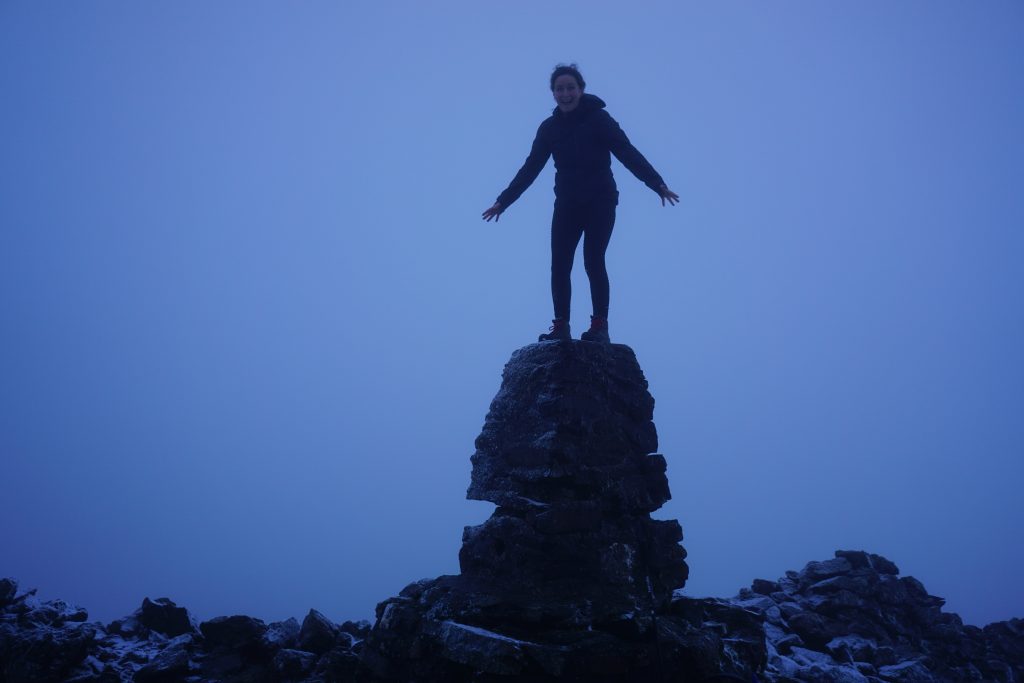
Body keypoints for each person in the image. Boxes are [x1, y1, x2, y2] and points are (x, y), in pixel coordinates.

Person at [482, 64, 679, 343]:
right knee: (559, 264)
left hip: (601, 201)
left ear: (581, 89)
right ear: (553, 93)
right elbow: (531, 168)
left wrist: (656, 183)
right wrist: (504, 201)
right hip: (567, 205)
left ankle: (600, 327)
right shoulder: (549, 129)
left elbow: (626, 151)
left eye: (570, 87)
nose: (565, 93)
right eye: (559, 89)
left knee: (593, 260)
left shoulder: (599, 120)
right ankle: (561, 326)